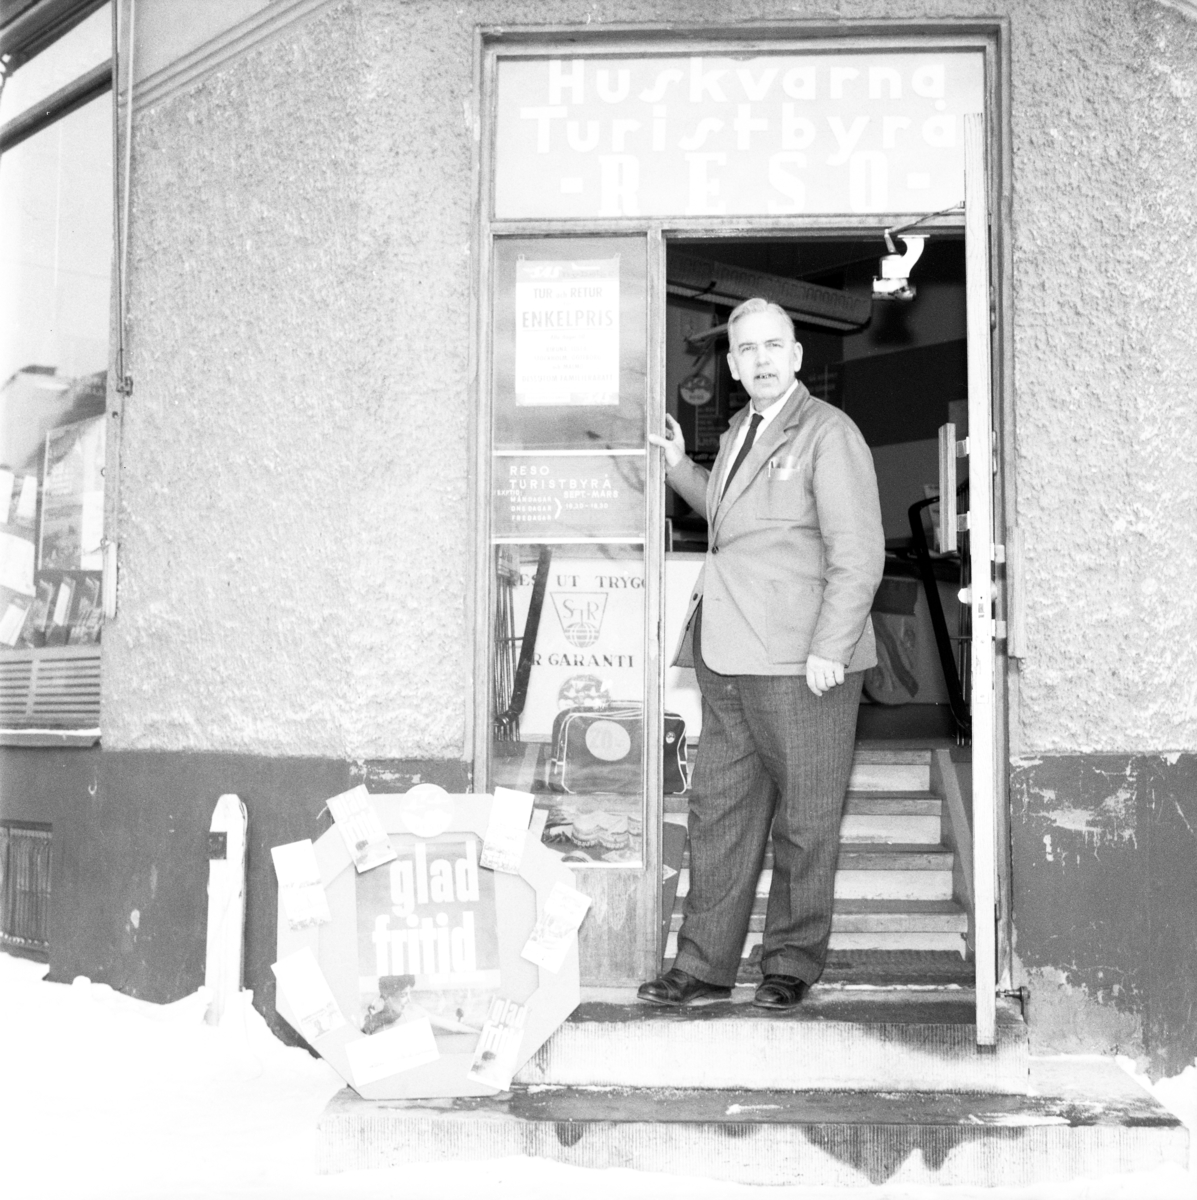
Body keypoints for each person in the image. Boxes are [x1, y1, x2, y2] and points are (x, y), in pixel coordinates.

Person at [639, 297, 884, 1011]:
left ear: (796, 355)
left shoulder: (828, 432)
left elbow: (858, 551)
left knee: (805, 821)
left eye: (774, 345)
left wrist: (831, 645)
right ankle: (702, 965)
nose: (761, 359)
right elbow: (733, 522)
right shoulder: (741, 430)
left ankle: (790, 963)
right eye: (747, 349)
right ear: (733, 364)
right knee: (719, 814)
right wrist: (681, 468)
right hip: (728, 654)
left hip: (803, 661)